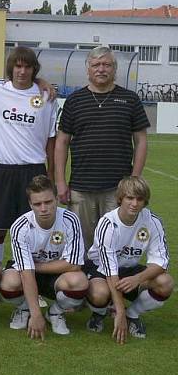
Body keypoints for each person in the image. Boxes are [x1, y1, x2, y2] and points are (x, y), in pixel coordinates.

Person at [55, 46, 150, 246]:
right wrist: (61, 182)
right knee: (82, 244)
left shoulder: (130, 100)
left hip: (118, 189)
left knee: (114, 243)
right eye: (96, 64)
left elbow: (141, 141)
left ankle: (113, 278)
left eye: (106, 64)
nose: (101, 69)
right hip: (81, 188)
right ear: (88, 69)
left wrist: (134, 178)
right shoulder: (74, 101)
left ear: (114, 69)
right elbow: (62, 142)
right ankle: (84, 278)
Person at [0, 47, 58, 277]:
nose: (22, 71)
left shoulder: (46, 96)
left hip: (34, 171)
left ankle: (25, 275)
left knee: (32, 227)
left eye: (27, 66)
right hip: (3, 170)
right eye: (18, 66)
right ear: (11, 68)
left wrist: (51, 176)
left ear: (34, 69)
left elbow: (51, 140)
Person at [0, 175, 88, 339]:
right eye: (37, 204)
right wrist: (35, 314)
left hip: (56, 274)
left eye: (48, 202)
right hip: (29, 272)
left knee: (79, 281)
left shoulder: (70, 219)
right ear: (30, 204)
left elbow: (74, 264)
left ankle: (55, 313)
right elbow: (26, 273)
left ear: (56, 199)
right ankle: (25, 308)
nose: (43, 208)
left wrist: (35, 267)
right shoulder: (20, 226)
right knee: (8, 282)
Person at [85, 176, 172, 342]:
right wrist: (120, 311)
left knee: (165, 283)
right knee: (99, 294)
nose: (134, 203)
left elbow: (161, 263)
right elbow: (110, 270)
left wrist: (137, 279)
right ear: (120, 199)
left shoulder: (152, 221)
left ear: (145, 201)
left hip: (130, 270)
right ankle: (100, 312)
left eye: (139, 199)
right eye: (129, 198)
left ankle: (133, 314)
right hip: (101, 269)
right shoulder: (108, 224)